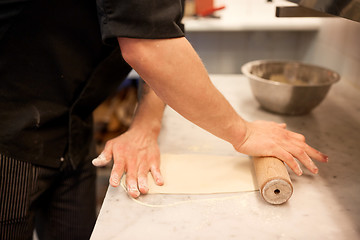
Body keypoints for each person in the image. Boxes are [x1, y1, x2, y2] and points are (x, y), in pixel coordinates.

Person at [0, 0, 328, 239]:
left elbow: (162, 43)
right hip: (9, 136)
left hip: (74, 127)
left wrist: (145, 125)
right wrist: (242, 133)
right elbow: (148, 50)